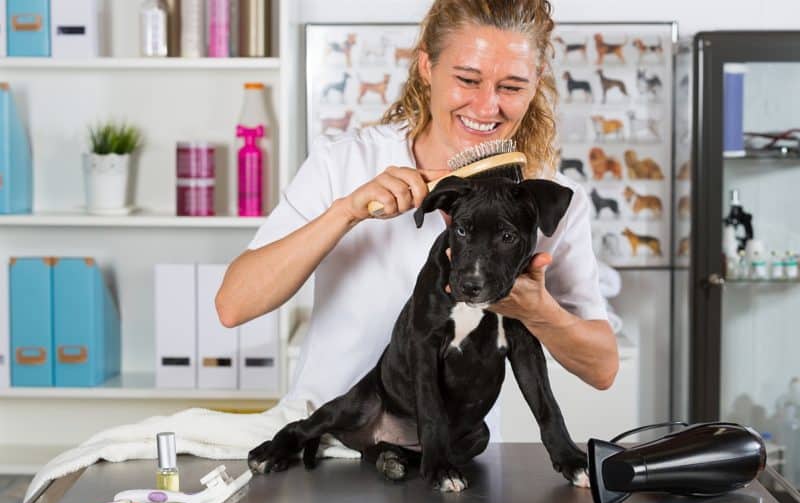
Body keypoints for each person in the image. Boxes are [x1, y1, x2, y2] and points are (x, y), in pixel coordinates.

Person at [216, 0, 619, 438]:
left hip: (451, 451)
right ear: (426, 65)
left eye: (512, 87)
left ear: (536, 83)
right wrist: (345, 213)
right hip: (326, 437)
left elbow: (602, 370)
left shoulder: (548, 201)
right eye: (467, 79)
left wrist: (540, 313)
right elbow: (234, 305)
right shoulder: (344, 162)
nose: (486, 107)